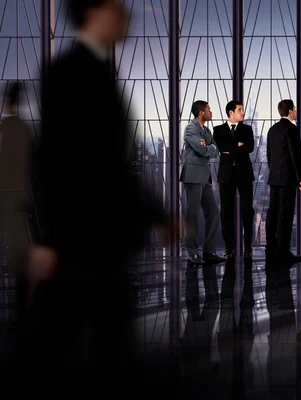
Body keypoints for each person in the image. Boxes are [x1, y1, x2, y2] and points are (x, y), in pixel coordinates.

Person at [28, 0, 175, 390]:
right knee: (89, 350)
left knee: (100, 349)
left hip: (99, 239)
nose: (126, 14)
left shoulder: (94, 71)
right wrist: (47, 240)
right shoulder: (69, 73)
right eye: (116, 6)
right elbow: (59, 160)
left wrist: (156, 215)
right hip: (82, 237)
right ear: (93, 12)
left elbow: (107, 163)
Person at [0, 81, 33, 316]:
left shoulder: (6, 128)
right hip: (22, 193)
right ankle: (24, 296)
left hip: (8, 194)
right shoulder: (24, 129)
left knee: (17, 244)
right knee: (21, 242)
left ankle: (23, 299)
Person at [180, 100, 226, 264]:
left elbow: (215, 150)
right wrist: (208, 148)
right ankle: (192, 253)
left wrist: (209, 147)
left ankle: (209, 252)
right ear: (201, 112)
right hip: (192, 177)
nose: (211, 112)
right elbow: (202, 150)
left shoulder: (205, 130)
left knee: (213, 212)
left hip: (204, 178)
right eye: (208, 109)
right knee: (192, 216)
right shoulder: (190, 129)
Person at [213, 100, 255, 259]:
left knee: (247, 211)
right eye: (240, 110)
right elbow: (220, 148)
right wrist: (237, 145)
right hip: (226, 175)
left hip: (244, 174)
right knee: (226, 212)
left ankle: (248, 247)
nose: (243, 113)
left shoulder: (247, 129)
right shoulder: (218, 130)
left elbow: (249, 148)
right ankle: (229, 248)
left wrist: (231, 149)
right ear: (231, 112)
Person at [265, 100, 301, 263]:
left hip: (274, 177)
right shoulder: (291, 129)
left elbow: (269, 156)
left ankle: (271, 248)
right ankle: (283, 251)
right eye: (294, 109)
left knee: (272, 212)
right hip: (288, 179)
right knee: (285, 214)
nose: (296, 111)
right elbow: (295, 155)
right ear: (290, 111)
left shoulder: (272, 130)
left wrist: (274, 172)